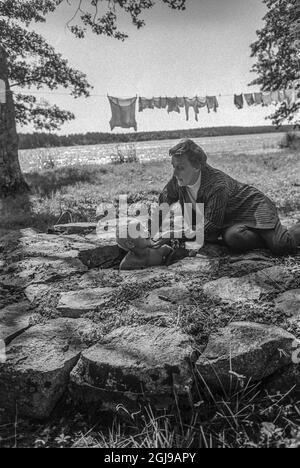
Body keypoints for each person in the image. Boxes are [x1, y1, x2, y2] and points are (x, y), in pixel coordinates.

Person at [153, 138, 300, 255]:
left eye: (180, 167)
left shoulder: (217, 185)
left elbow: (210, 225)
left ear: (197, 166)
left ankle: (285, 232)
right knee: (233, 238)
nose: (175, 173)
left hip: (254, 207)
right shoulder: (178, 180)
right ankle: (264, 238)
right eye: (174, 166)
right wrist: (151, 233)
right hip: (229, 220)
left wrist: (174, 234)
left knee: (281, 245)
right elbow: (164, 202)